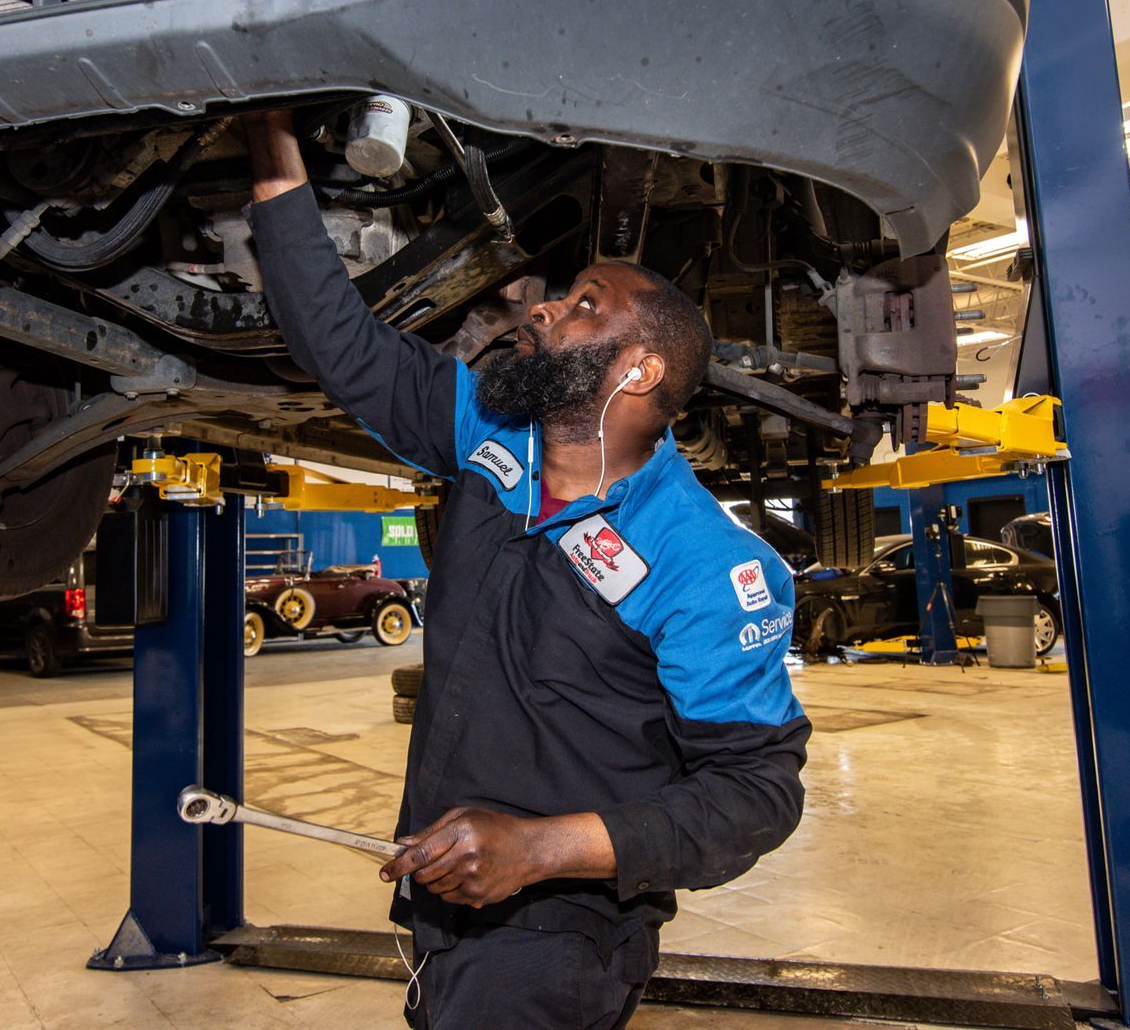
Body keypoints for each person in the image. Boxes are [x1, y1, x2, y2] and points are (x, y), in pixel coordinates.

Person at [244, 111, 809, 1029]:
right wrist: (269, 128)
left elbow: (754, 794)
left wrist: (542, 850)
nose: (543, 306)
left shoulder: (705, 562)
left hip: (560, 936)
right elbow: (337, 339)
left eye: (586, 304)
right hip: (449, 903)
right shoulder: (491, 440)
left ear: (639, 372)